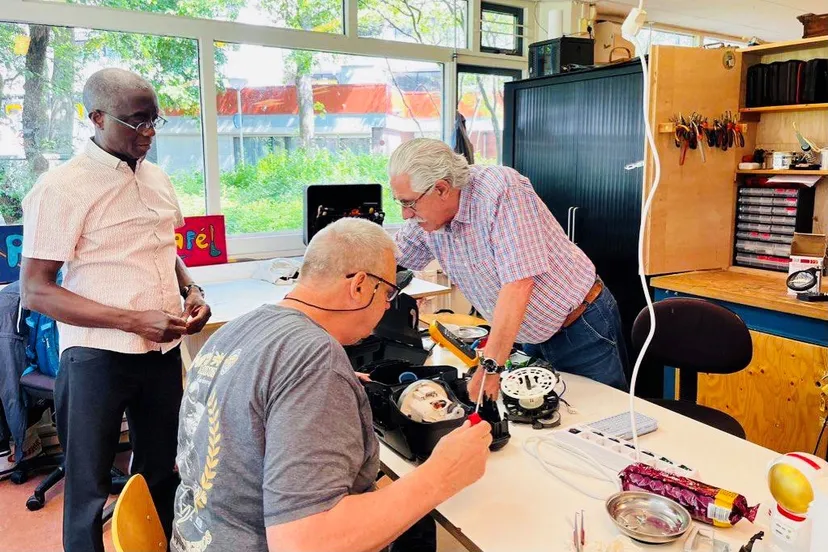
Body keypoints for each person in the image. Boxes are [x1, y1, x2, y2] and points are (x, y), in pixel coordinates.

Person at [172, 217, 492, 552]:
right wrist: (442, 475)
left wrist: (327, 391)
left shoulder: (236, 330)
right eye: (388, 292)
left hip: (198, 538)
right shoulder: (315, 360)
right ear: (360, 286)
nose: (387, 305)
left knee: (416, 527)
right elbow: (303, 544)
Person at [20, 68, 211, 552]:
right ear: (98, 118)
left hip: (161, 353)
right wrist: (132, 320)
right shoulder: (61, 188)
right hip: (96, 357)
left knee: (159, 471)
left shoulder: (157, 177)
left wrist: (190, 288)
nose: (149, 133)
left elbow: (162, 248)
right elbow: (37, 291)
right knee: (87, 488)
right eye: (136, 121)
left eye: (154, 121)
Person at [389, 138, 629, 397]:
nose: (405, 214)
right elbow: (391, 259)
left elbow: (518, 284)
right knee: (542, 416)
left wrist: (490, 368)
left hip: (581, 327)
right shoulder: (424, 221)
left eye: (409, 203)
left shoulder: (500, 190)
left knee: (603, 415)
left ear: (441, 189)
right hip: (530, 336)